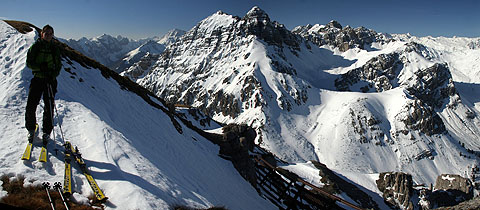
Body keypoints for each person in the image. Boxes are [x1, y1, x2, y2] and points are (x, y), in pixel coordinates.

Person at [25, 24, 62, 146]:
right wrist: (40, 68)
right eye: (46, 33)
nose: (49, 35)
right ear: (42, 34)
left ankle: (46, 132)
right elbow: (29, 63)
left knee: (49, 106)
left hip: (50, 80)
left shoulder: (54, 48)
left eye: (51, 34)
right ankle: (31, 129)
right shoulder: (36, 46)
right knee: (31, 105)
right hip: (37, 79)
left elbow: (58, 65)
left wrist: (52, 74)